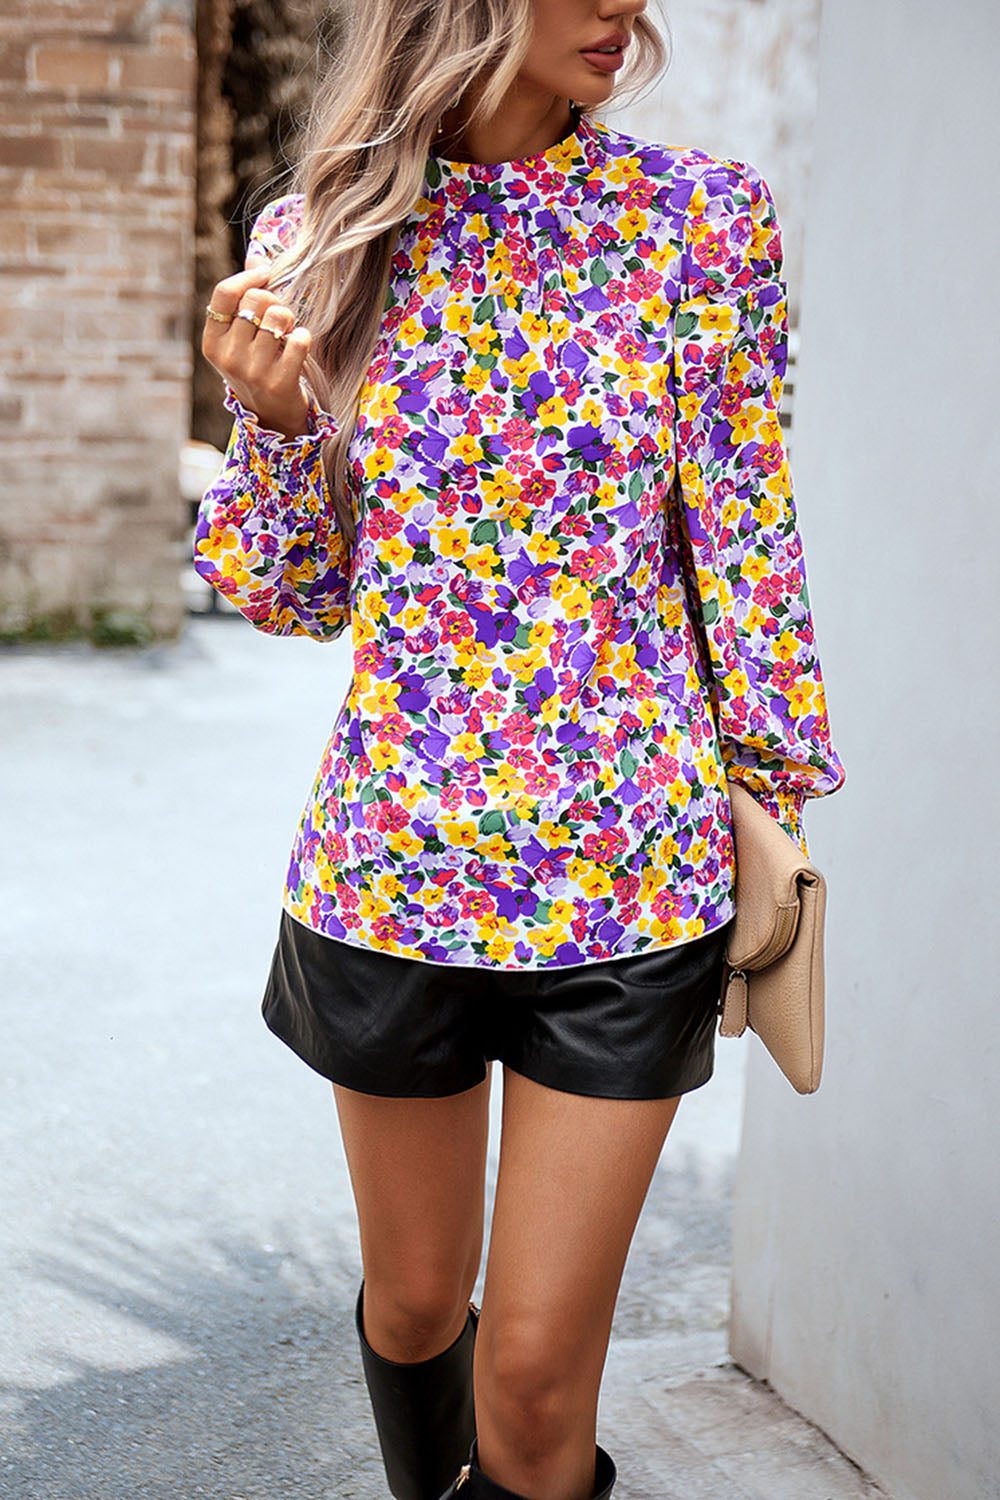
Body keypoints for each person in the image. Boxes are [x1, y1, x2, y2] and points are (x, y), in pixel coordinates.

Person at [195, 2, 846, 1497]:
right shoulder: (321, 240)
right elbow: (294, 593)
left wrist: (774, 788)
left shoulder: (699, 224)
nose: (627, 7)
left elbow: (746, 534)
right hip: (394, 871)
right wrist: (280, 427)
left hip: (631, 883)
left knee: (539, 1379)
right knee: (418, 1307)